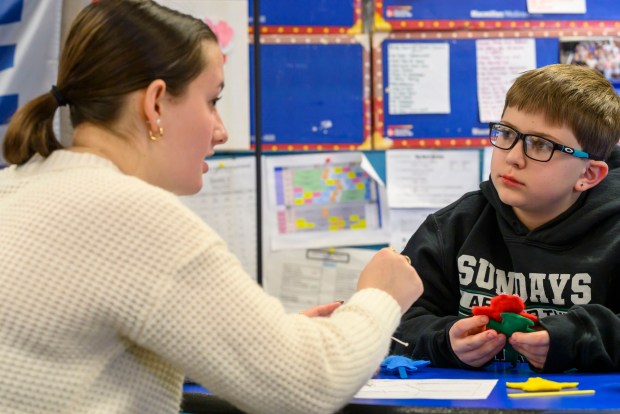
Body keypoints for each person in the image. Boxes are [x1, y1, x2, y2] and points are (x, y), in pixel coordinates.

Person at [0, 1, 423, 413]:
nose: (221, 132)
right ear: (156, 104)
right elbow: (313, 383)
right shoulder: (133, 214)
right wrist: (379, 296)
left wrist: (245, 342)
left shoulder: (15, 185)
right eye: (212, 101)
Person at [391, 64, 620, 373]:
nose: (513, 156)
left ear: (588, 174)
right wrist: (444, 341)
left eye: (541, 144)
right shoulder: (452, 227)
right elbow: (389, 319)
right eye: (507, 133)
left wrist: (577, 339)